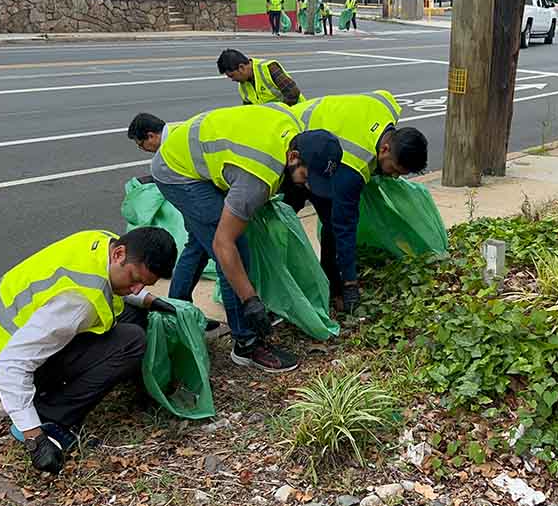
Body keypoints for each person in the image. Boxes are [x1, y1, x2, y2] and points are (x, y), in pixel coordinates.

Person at [127, 106, 342, 373]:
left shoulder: (292, 129)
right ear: (294, 155)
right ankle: (245, 343)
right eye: (308, 178)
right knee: (232, 249)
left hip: (192, 156)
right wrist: (250, 300)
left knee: (199, 243)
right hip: (177, 173)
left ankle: (177, 311)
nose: (309, 187)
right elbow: (223, 244)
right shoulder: (257, 179)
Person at [0, 227, 178, 474]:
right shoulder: (76, 303)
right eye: (135, 280)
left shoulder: (102, 242)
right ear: (119, 254)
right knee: (131, 342)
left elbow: (113, 283)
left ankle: (49, 406)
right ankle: (51, 418)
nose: (136, 288)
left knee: (132, 312)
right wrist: (35, 439)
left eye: (144, 284)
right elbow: (11, 365)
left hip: (0, 337)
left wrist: (149, 301)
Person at [285, 90, 428, 313]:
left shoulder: (386, 106)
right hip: (294, 146)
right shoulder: (354, 166)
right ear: (385, 148)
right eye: (393, 169)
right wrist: (350, 284)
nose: (394, 176)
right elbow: (345, 226)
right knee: (299, 219)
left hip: (313, 139)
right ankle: (300, 285)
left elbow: (378, 97)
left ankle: (330, 282)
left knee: (329, 219)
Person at [217, 49, 305, 107]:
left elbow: (293, 94)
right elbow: (249, 110)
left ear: (241, 67)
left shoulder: (269, 68)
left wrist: (276, 114)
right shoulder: (243, 86)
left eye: (232, 76)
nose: (232, 80)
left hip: (295, 114)